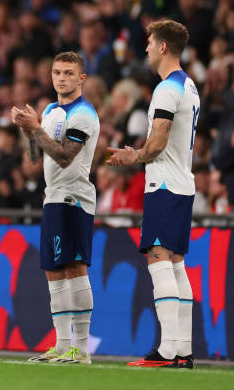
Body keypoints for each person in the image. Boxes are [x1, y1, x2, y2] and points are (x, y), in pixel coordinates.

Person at [107, 20, 198, 369]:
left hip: (164, 185)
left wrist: (135, 156)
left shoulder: (165, 90)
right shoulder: (188, 85)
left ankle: (167, 352)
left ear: (163, 48)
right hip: (182, 183)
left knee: (159, 259)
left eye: (149, 43)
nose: (145, 48)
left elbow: (158, 140)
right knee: (175, 264)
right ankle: (183, 350)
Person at [11, 52, 99, 365]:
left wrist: (36, 129)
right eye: (57, 72)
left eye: (68, 73)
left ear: (81, 79)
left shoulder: (84, 114)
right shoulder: (49, 110)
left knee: (74, 267)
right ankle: (62, 346)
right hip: (53, 197)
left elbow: (64, 156)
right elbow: (35, 159)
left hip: (74, 198)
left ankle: (83, 349)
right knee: (53, 271)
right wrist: (27, 130)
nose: (61, 78)